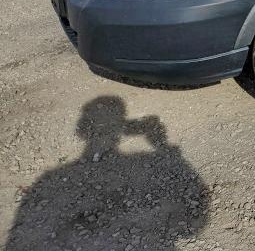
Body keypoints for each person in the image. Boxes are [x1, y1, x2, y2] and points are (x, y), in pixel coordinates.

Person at [5, 96, 209, 250]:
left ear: (81, 129)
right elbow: (194, 225)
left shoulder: (49, 180)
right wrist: (161, 144)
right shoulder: (51, 179)